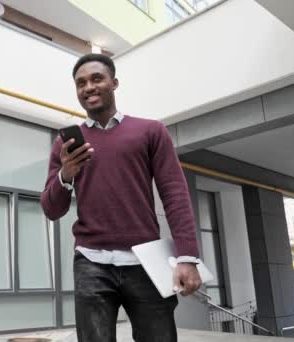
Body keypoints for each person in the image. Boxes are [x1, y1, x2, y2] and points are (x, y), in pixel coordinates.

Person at [40, 53, 202, 342]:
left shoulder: (151, 131)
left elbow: (174, 193)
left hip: (146, 261)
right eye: (80, 83)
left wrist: (187, 257)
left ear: (114, 83)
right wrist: (66, 174)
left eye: (96, 78)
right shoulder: (66, 144)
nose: (88, 87)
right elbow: (51, 209)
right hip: (91, 262)